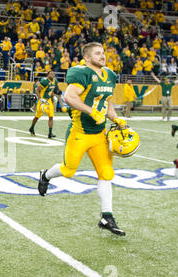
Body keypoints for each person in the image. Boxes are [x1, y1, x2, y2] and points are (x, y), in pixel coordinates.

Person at [38, 42, 129, 236]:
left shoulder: (110, 75)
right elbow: (70, 97)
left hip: (99, 135)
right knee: (68, 170)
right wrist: (90, 111)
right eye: (98, 53)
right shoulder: (82, 73)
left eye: (103, 53)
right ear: (87, 58)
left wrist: (116, 118)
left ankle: (107, 216)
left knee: (106, 173)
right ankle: (45, 175)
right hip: (79, 133)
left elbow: (107, 103)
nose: (102, 56)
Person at [29, 70, 58, 139]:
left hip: (49, 101)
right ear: (48, 75)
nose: (52, 75)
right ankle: (32, 127)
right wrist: (40, 99)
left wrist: (53, 99)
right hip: (42, 101)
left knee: (51, 116)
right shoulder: (45, 81)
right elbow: (37, 90)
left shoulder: (55, 81)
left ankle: (50, 133)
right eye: (51, 73)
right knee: (37, 117)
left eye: (53, 73)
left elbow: (51, 91)